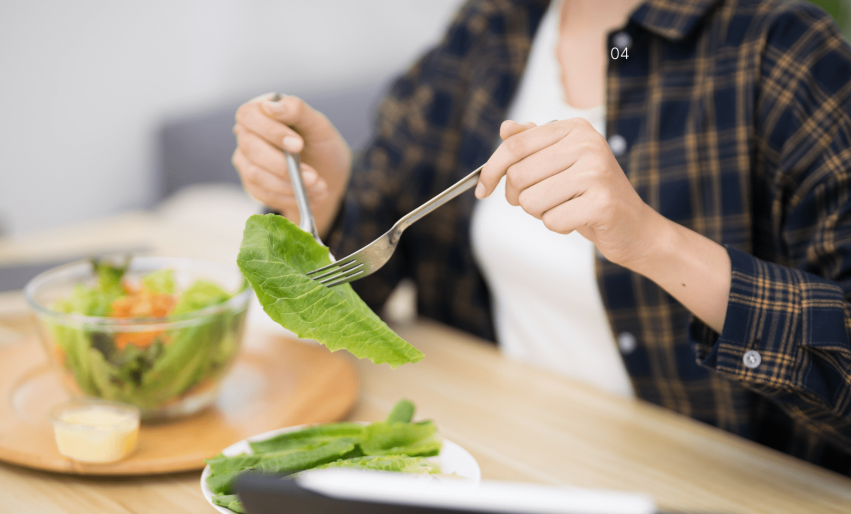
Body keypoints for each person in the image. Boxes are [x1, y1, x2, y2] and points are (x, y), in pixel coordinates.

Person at [232, 0, 851, 476]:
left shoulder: (781, 50)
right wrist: (333, 193)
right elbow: (369, 274)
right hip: (500, 467)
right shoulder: (495, 28)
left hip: (720, 507)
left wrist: (652, 241)